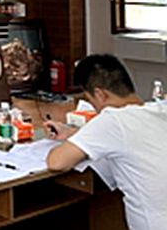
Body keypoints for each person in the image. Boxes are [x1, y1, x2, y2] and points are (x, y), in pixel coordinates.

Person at [45, 54, 167, 230]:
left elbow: (57, 163)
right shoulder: (160, 109)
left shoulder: (113, 120)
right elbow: (133, 139)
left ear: (100, 94)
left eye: (90, 100)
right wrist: (75, 134)